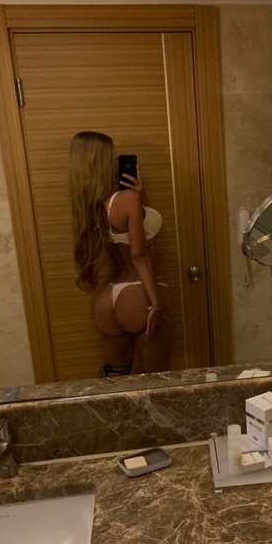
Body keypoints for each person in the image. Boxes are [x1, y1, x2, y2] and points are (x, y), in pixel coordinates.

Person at [68, 131, 173, 377]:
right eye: (112, 156)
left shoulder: (90, 204)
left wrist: (141, 197)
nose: (116, 161)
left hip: (109, 300)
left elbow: (126, 235)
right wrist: (156, 304)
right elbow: (138, 255)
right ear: (102, 161)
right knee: (160, 380)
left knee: (116, 380)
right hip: (140, 294)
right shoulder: (127, 199)